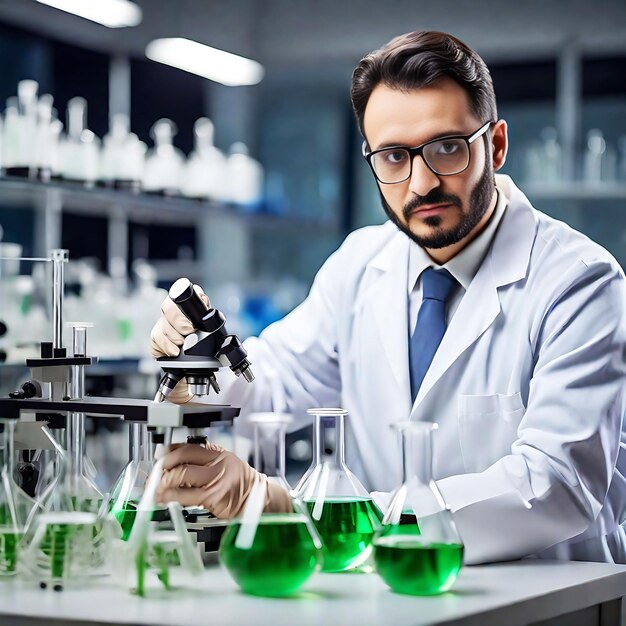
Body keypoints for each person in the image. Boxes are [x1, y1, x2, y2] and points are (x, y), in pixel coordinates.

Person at [151, 30, 626, 565]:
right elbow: (271, 384)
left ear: (494, 145)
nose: (420, 183)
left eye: (446, 148)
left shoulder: (579, 280)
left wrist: (305, 510)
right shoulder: (360, 265)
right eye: (394, 157)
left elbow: (554, 484)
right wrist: (197, 363)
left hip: (541, 602)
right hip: (388, 602)